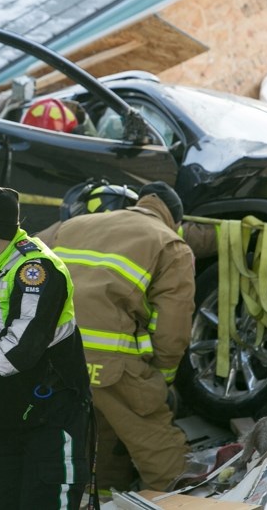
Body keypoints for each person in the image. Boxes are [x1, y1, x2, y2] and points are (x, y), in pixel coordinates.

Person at [38, 181, 195, 493]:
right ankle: (178, 500)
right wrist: (162, 378)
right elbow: (172, 328)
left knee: (14, 444)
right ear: (173, 219)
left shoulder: (73, 224)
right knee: (158, 450)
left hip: (47, 355)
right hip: (108, 364)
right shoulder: (170, 243)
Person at [0, 184, 91, 510]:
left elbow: (21, 346)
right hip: (4, 420)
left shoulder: (36, 271)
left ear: (8, 233)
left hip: (49, 420)